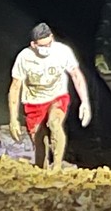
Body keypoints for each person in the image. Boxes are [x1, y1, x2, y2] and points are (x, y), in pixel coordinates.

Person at [7, 22, 92, 169]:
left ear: (52, 38)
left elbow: (76, 75)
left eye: (49, 44)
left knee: (54, 123)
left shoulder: (63, 51)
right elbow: (15, 88)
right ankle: (43, 169)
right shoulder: (24, 58)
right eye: (42, 46)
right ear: (33, 44)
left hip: (57, 96)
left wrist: (85, 103)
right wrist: (13, 119)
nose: (46, 49)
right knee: (39, 143)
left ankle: (57, 166)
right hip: (34, 101)